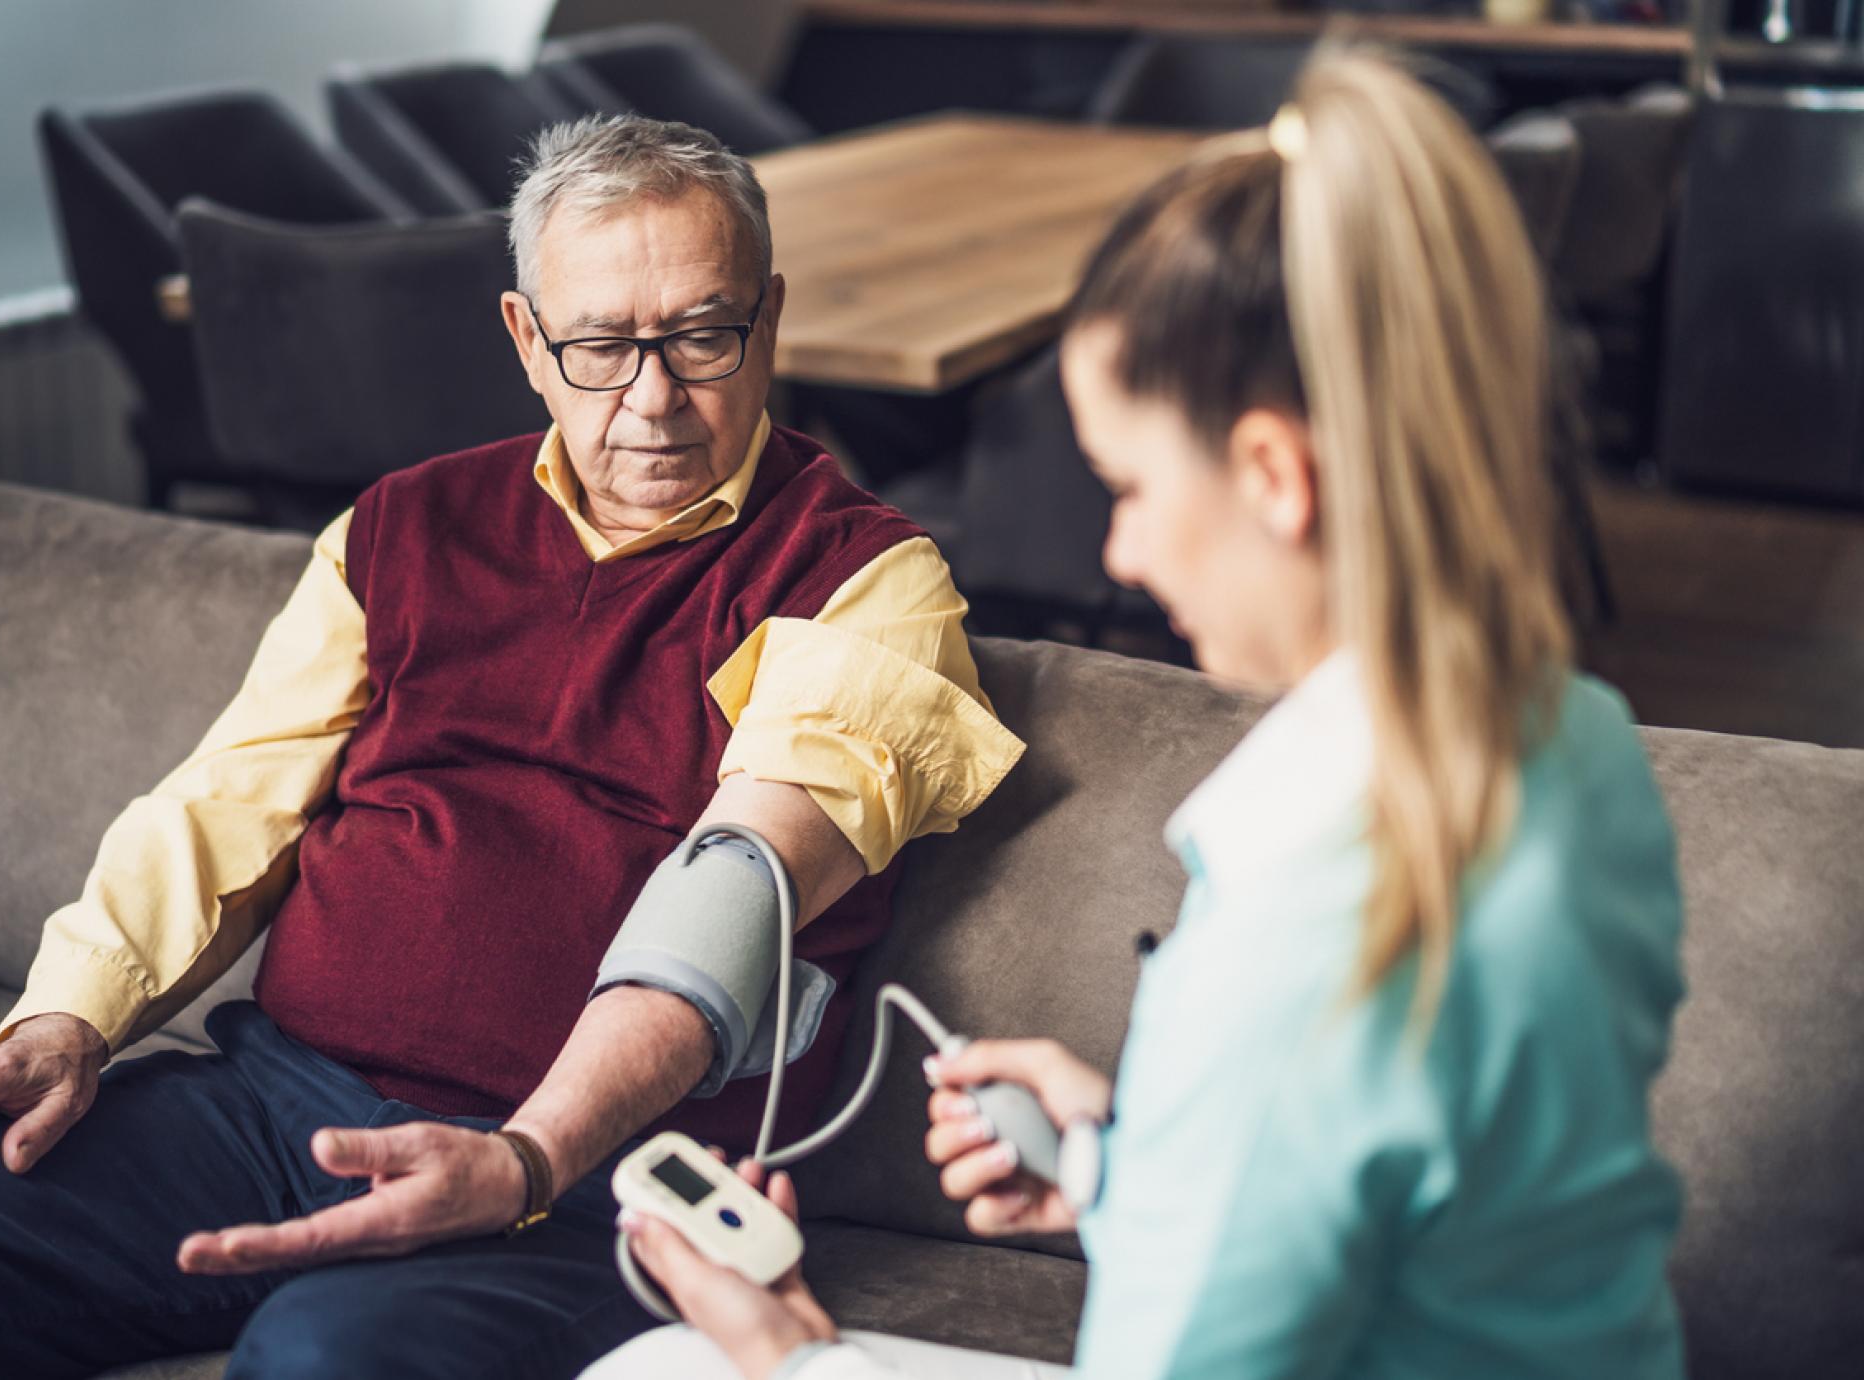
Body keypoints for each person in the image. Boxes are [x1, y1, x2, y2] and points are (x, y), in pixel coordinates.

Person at [0, 116, 1024, 1379]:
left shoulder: (865, 579)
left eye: (701, 334)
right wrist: (64, 1021)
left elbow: (737, 889)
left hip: (596, 1179)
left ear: (768, 319)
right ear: (528, 340)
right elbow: (224, 807)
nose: (652, 397)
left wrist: (529, 1156)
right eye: (597, 345)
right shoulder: (398, 527)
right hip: (277, 1108)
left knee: (325, 1362)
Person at [589, 49, 1688, 1380]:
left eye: (1131, 486)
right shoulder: (1582, 742)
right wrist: (1137, 1166)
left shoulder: (1301, 931)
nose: (1119, 554)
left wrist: (795, 1353)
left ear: (1276, 477)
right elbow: (1405, 1205)